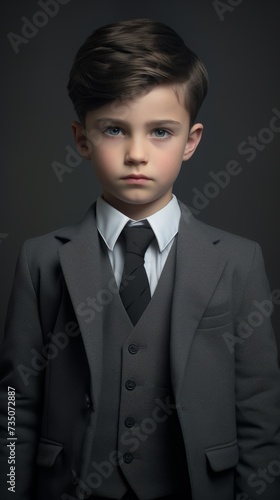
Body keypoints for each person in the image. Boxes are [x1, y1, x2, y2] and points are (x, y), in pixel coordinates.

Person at [0, 17, 279, 500]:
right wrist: (8, 486)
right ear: (81, 139)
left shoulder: (238, 261)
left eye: (160, 132)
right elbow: (12, 403)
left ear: (191, 141)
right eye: (113, 129)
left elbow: (260, 408)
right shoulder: (40, 260)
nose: (136, 154)